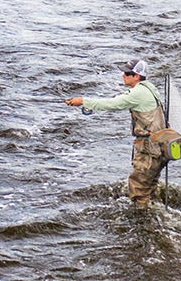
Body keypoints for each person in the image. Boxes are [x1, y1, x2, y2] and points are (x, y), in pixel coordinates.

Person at [67, 60, 174, 207]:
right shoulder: (150, 88)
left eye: (127, 73)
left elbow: (113, 104)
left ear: (136, 76)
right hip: (161, 146)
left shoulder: (138, 93)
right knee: (150, 183)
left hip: (149, 149)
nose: (123, 75)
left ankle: (141, 218)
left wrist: (84, 101)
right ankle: (151, 210)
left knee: (138, 188)